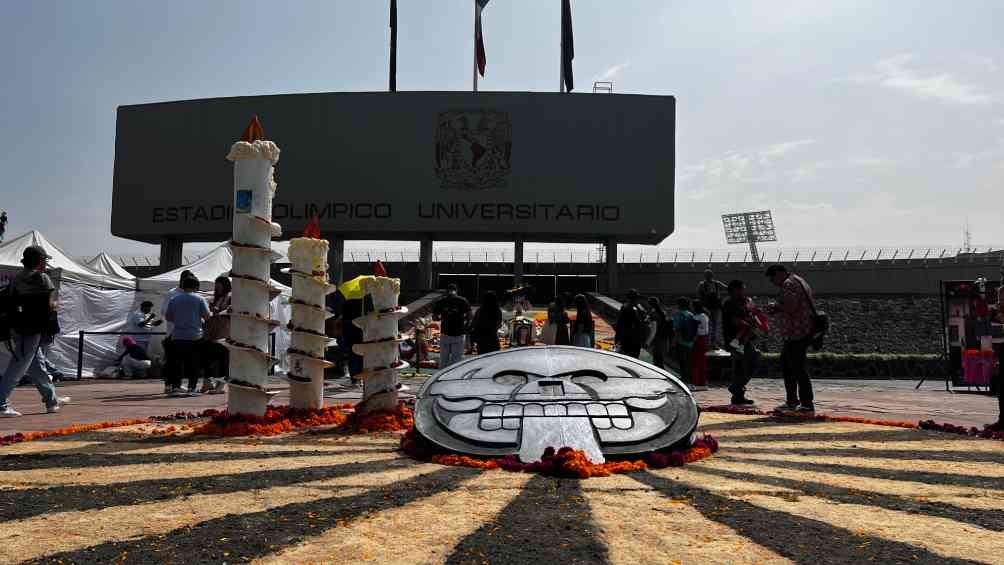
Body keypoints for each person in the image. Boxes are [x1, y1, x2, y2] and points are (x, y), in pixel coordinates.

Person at [0, 246, 70, 416]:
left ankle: (51, 400)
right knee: (18, 367)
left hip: (18, 327)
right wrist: (54, 305)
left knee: (37, 366)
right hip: (34, 329)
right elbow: (48, 305)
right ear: (39, 261)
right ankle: (1, 403)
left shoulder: (17, 278)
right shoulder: (42, 278)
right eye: (43, 260)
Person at [765, 264, 816, 413]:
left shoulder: (788, 284)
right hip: (802, 330)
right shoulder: (799, 280)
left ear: (779, 273)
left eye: (772, 278)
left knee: (796, 368)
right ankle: (793, 400)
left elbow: (791, 307)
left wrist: (775, 307)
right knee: (789, 365)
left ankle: (805, 403)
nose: (773, 283)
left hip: (797, 332)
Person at [163, 275, 210, 396]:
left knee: (177, 363)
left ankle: (176, 387)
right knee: (194, 363)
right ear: (196, 287)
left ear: (183, 287)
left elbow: (168, 317)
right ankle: (192, 388)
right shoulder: (199, 299)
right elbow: (207, 316)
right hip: (195, 335)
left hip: (177, 335)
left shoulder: (174, 299)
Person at [722, 280, 758, 405]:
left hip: (746, 338)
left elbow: (752, 315)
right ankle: (737, 391)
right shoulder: (729, 303)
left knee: (749, 364)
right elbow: (735, 321)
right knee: (742, 366)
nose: (743, 292)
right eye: (741, 289)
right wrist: (749, 323)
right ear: (734, 290)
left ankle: (737, 390)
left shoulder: (743, 302)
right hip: (735, 340)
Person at [160, 269, 193, 394]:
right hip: (173, 332)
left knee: (180, 361)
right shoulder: (172, 293)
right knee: (172, 361)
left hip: (186, 333)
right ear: (182, 280)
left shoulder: (191, 294)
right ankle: (170, 385)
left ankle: (175, 384)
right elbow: (164, 311)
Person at [200, 275, 231, 394]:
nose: (217, 288)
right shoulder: (217, 297)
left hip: (224, 331)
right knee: (207, 358)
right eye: (216, 286)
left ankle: (220, 385)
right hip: (212, 331)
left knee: (223, 359)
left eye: (219, 285)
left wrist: (219, 311)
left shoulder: (230, 297)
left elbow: (232, 312)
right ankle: (208, 382)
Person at [433, 283, 471, 369]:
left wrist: (441, 318)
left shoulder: (441, 301)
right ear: (456, 291)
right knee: (456, 361)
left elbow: (434, 317)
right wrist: (465, 324)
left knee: (443, 359)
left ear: (446, 291)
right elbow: (469, 316)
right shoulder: (462, 301)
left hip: (445, 333)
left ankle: (441, 379)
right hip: (459, 333)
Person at [697, 269, 727, 348]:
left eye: (709, 275)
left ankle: (711, 343)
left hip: (711, 307)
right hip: (709, 307)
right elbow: (727, 288)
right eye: (707, 275)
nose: (708, 277)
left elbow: (699, 296)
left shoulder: (713, 284)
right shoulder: (705, 284)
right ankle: (710, 343)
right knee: (711, 325)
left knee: (712, 326)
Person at [615, 289, 645, 358]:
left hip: (626, 336)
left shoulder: (625, 306)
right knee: (633, 356)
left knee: (626, 356)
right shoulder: (634, 307)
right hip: (633, 337)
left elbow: (620, 322)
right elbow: (640, 320)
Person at [671, 297, 696, 383]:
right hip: (690, 341)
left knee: (682, 361)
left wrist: (673, 342)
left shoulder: (678, 315)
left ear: (679, 305)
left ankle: (684, 378)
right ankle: (690, 378)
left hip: (681, 341)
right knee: (689, 361)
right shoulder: (690, 314)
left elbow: (676, 329)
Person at [689, 300, 710, 390]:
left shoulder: (703, 316)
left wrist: (696, 331)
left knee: (700, 361)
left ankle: (700, 382)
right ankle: (697, 381)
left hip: (701, 339)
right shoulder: (696, 316)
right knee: (695, 361)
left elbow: (705, 330)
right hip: (697, 339)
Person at [646, 296, 672, 368]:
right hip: (665, 340)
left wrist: (647, 343)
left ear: (650, 304)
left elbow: (653, 330)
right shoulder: (663, 312)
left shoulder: (654, 314)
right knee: (660, 361)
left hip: (658, 341)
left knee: (658, 362)